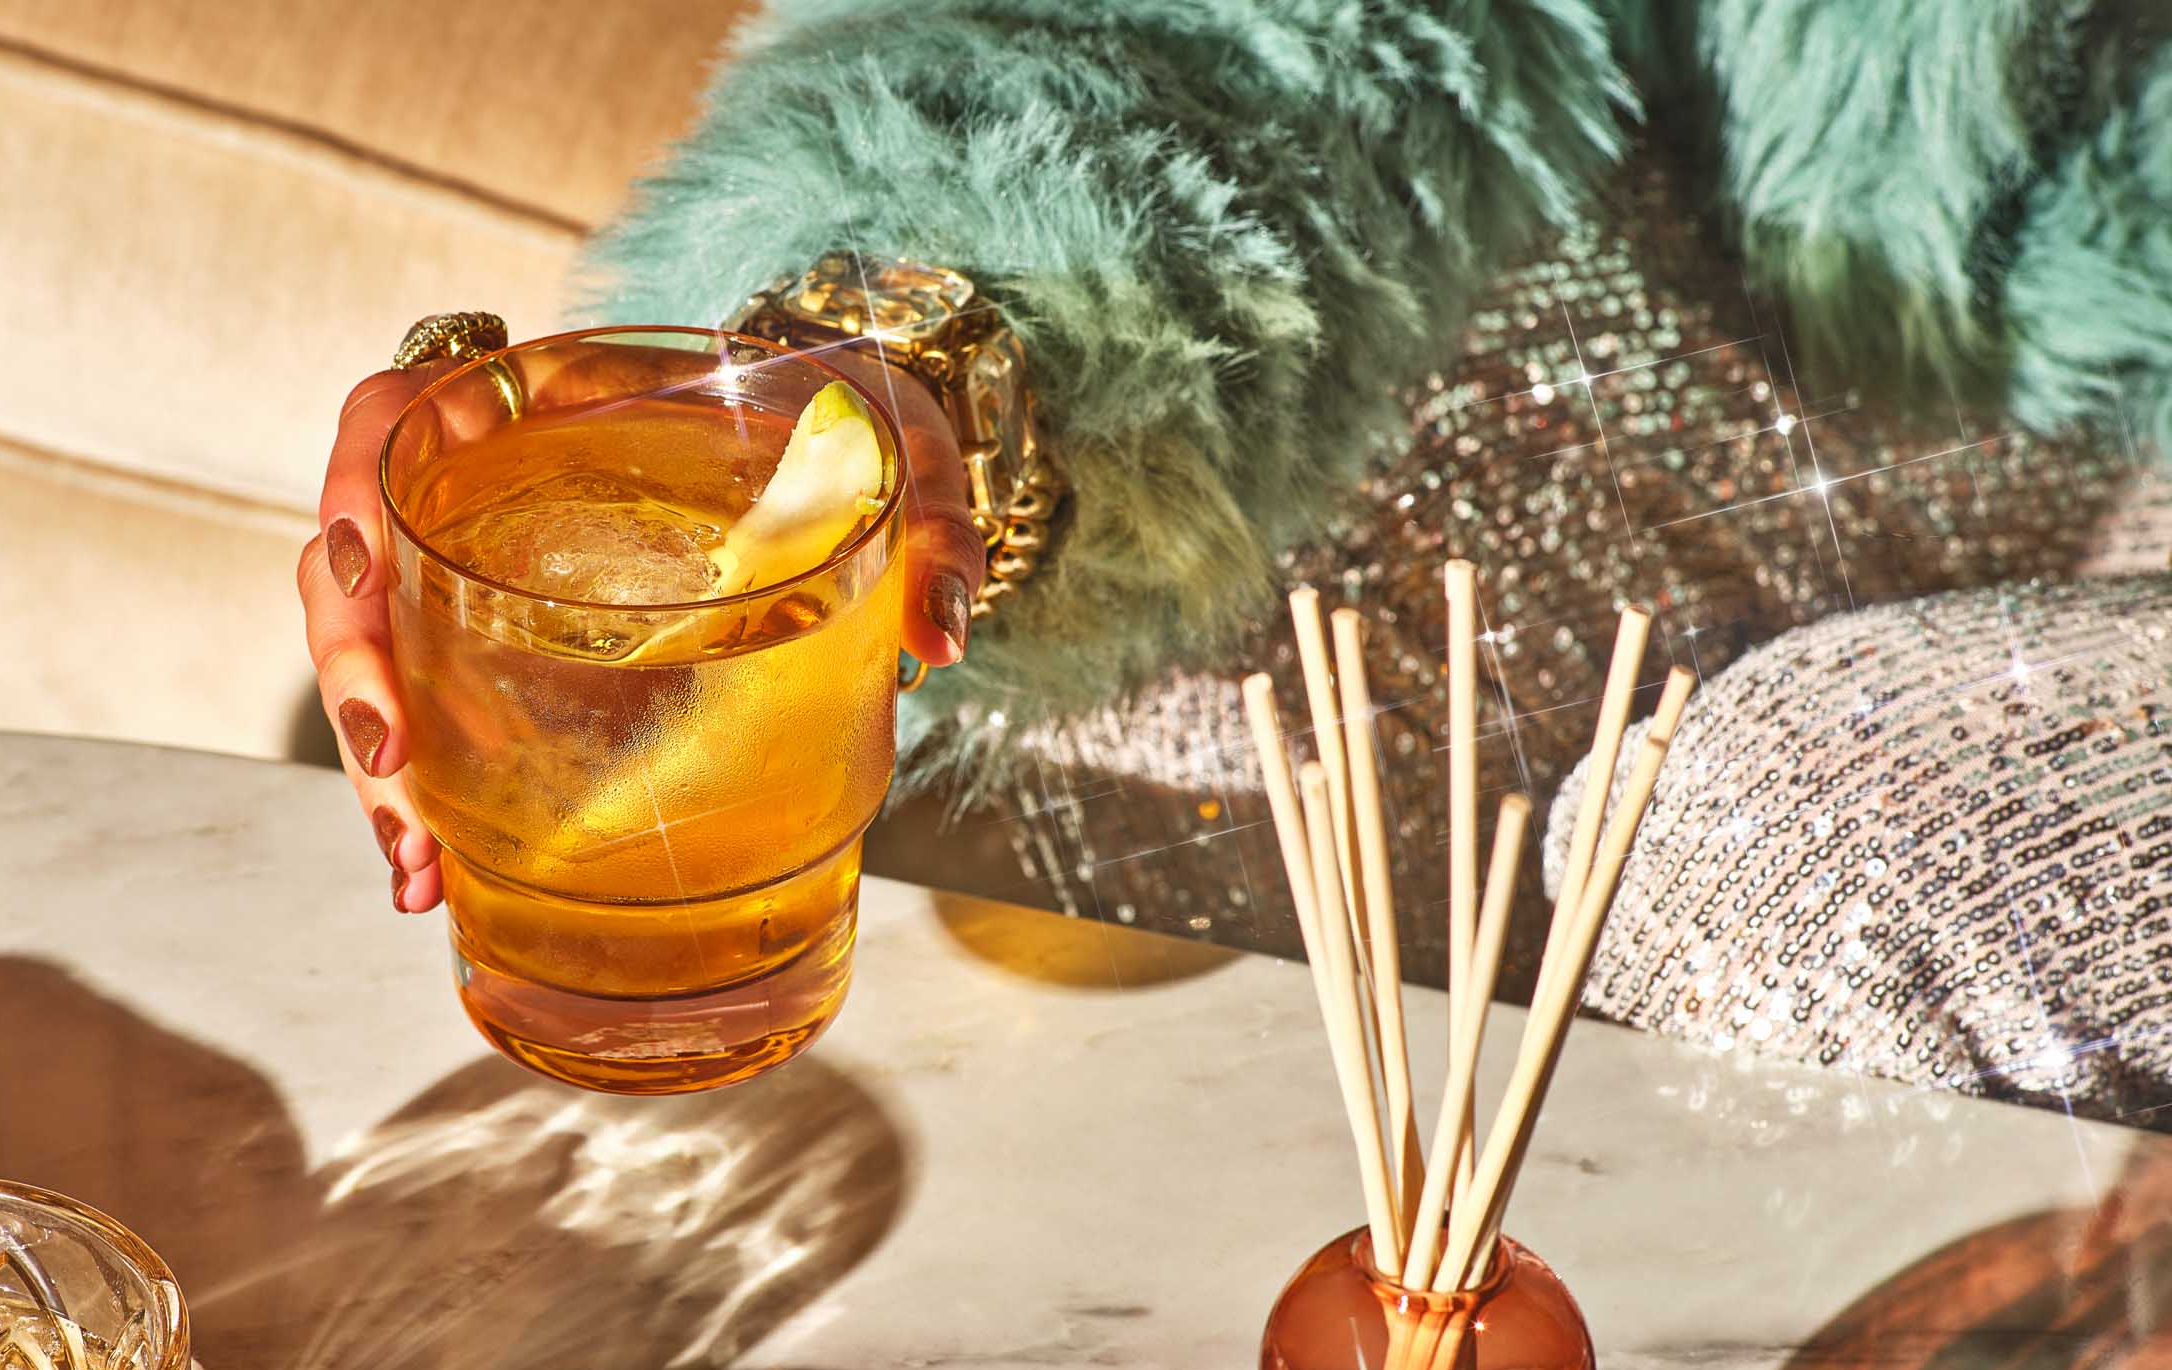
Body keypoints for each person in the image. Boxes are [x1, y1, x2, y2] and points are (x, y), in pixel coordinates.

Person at [299, 0, 2172, 916]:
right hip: (1758, 244)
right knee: (1090, 763)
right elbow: (1273, 34)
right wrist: (933, 354)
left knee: (1826, 850)